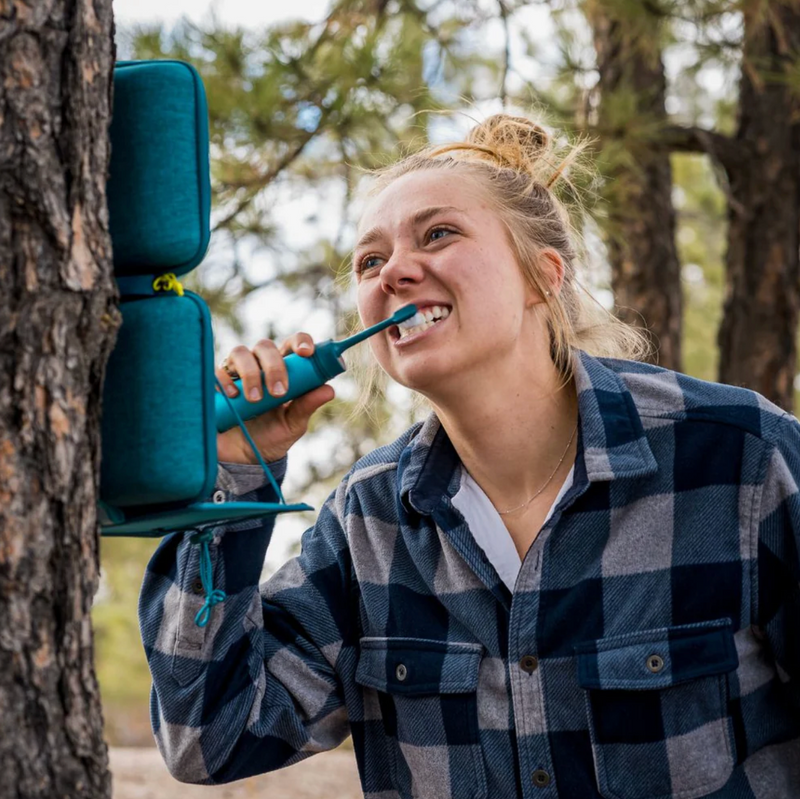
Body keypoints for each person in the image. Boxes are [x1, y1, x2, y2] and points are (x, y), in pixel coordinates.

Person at [138, 114, 800, 798]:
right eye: (370, 260)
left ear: (543, 277)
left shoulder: (741, 457)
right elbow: (208, 737)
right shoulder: (368, 519)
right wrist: (233, 476)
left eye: (439, 233)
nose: (394, 270)